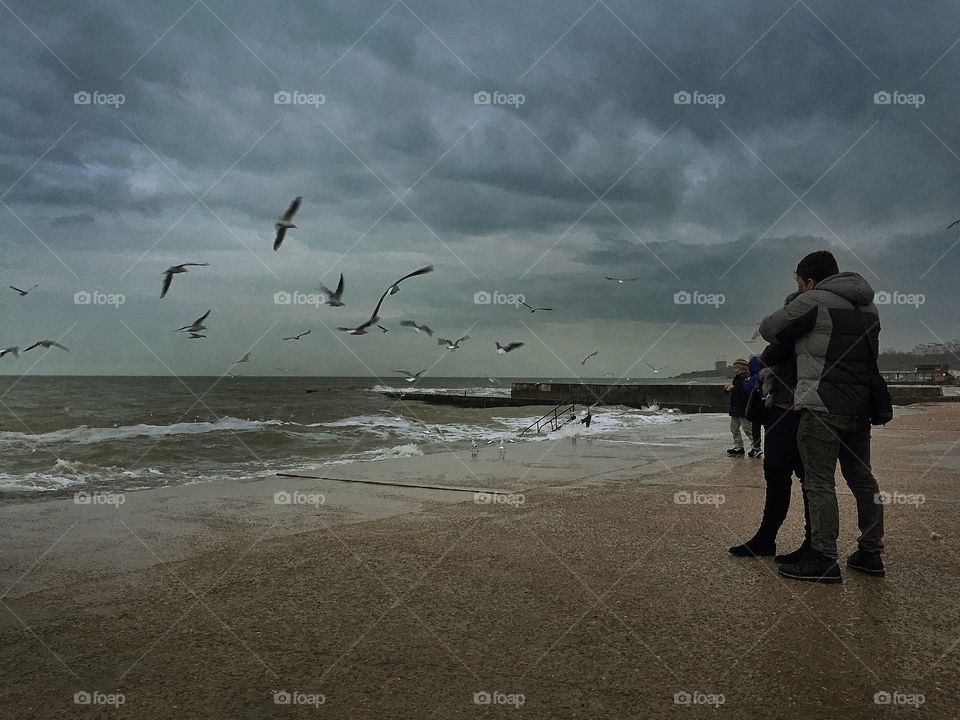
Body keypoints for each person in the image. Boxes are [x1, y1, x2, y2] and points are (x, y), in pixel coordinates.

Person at [759, 250, 884, 583]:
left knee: (819, 482)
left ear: (810, 281)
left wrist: (798, 301)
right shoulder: (869, 307)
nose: (801, 289)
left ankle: (824, 557)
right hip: (860, 406)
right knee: (863, 480)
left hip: (821, 405)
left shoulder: (813, 301)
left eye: (801, 284)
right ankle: (871, 552)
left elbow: (768, 329)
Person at [728, 332, 810, 559]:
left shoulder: (788, 339)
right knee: (811, 480)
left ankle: (767, 538)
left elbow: (764, 360)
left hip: (785, 411)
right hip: (810, 411)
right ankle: (815, 542)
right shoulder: (824, 340)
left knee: (779, 477)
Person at [723, 358, 753, 456]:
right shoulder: (737, 379)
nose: (734, 369)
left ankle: (755, 447)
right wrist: (729, 391)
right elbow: (735, 394)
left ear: (741, 368)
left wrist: (732, 389)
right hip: (736, 407)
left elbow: (745, 393)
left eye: (736, 368)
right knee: (734, 428)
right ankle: (739, 447)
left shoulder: (746, 379)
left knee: (747, 429)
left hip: (743, 408)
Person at [743, 355, 764, 458]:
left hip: (756, 407)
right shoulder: (765, 374)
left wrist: (745, 381)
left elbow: (749, 389)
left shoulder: (753, 378)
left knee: (756, 428)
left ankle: (756, 447)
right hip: (767, 406)